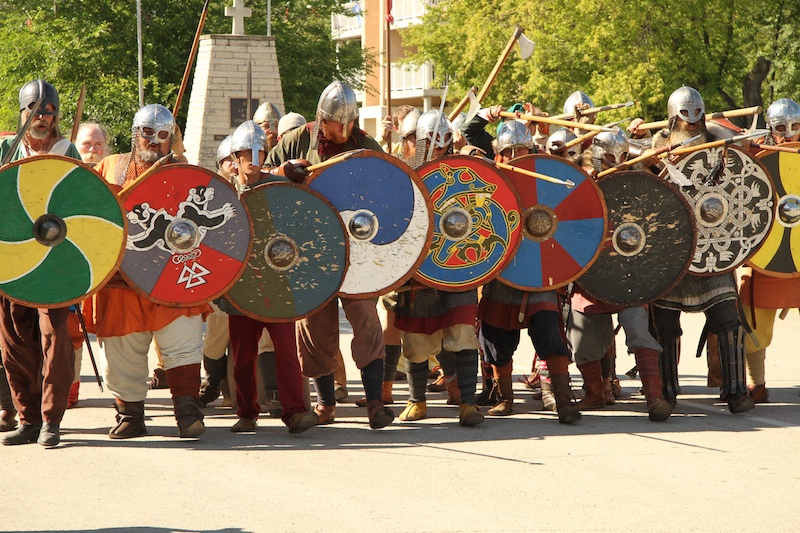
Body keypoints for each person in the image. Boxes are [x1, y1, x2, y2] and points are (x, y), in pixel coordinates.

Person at [264, 80, 394, 429]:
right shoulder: (298, 140)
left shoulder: (365, 145)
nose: (345, 129)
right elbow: (260, 179)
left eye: (350, 121)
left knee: (367, 318)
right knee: (314, 326)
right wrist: (283, 172)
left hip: (358, 249)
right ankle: (325, 404)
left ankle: (375, 404)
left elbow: (391, 186)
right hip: (310, 248)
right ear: (323, 119)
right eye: (339, 122)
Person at [82, 103, 211, 439]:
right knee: (122, 351)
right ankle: (130, 415)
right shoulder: (110, 167)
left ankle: (187, 412)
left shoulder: (185, 171)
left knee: (182, 345)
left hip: (173, 276)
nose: (154, 140)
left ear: (172, 139)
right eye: (148, 133)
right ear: (135, 133)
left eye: (163, 135)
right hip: (122, 280)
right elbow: (90, 214)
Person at [629, 86, 754, 414]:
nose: (693, 119)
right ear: (673, 116)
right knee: (665, 325)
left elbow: (742, 147)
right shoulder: (657, 145)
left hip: (714, 241)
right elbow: (637, 170)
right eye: (686, 114)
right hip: (673, 245)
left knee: (728, 317)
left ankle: (736, 390)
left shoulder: (715, 137)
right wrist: (638, 134)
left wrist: (718, 125)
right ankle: (666, 392)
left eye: (698, 112)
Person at [216, 120, 318, 434]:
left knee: (287, 351)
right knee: (243, 356)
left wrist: (300, 178)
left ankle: (295, 412)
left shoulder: (279, 186)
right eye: (247, 151)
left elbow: (300, 222)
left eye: (259, 150)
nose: (253, 157)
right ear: (235, 156)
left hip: (276, 281)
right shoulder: (224, 193)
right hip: (242, 283)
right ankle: (247, 412)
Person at [0, 79, 82, 447]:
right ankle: (28, 418)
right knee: (15, 342)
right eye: (34, 110)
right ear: (22, 114)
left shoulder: (67, 151)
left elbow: (82, 205)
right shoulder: (6, 151)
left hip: (54, 259)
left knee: (55, 340)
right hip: (12, 258)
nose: (41, 117)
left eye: (48, 111)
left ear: (57, 116)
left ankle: (51, 420)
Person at [393, 109, 485, 427]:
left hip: (459, 265)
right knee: (416, 339)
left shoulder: (465, 171)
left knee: (462, 334)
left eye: (444, 147)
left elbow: (484, 207)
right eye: (432, 145)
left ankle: (469, 404)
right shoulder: (404, 174)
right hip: (418, 270)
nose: (438, 152)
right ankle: (417, 401)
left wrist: (473, 157)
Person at [738, 98, 800, 402]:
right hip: (765, 256)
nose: (789, 134)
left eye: (795, 127)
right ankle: (757, 384)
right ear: (770, 129)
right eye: (781, 128)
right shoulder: (755, 159)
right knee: (754, 328)